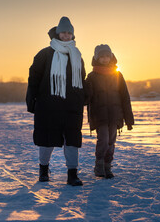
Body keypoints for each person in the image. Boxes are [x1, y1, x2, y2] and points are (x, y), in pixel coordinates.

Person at [26, 17, 86, 186]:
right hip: (48, 105)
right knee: (46, 140)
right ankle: (43, 170)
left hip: (71, 106)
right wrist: (32, 102)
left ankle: (72, 174)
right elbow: (34, 79)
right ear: (58, 33)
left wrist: (83, 98)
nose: (66, 35)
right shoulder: (45, 54)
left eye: (69, 33)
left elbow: (81, 80)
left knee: (72, 140)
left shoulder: (77, 55)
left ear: (72, 35)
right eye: (63, 32)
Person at [86, 44, 134, 179]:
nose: (105, 59)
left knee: (111, 141)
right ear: (97, 58)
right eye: (102, 56)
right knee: (103, 140)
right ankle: (99, 165)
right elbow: (87, 97)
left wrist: (129, 119)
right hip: (99, 116)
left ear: (111, 57)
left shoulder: (117, 75)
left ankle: (107, 166)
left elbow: (125, 97)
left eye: (107, 56)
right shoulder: (92, 76)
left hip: (115, 115)